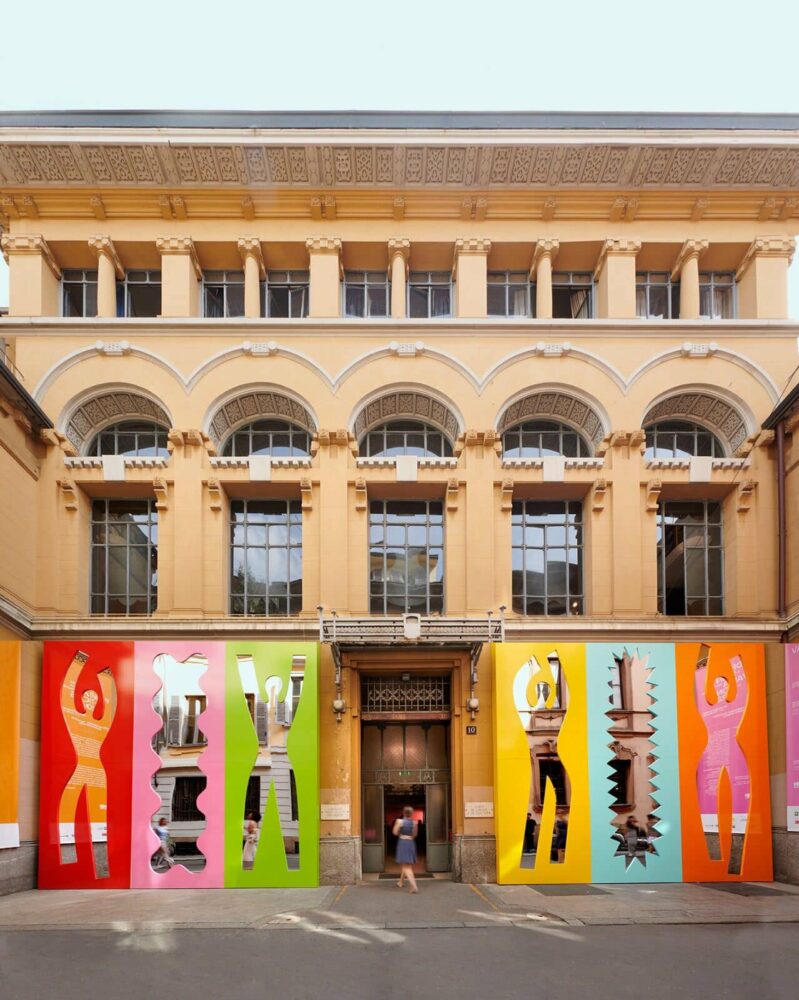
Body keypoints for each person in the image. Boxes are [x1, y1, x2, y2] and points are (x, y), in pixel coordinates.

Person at [392, 806, 419, 894]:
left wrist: (401, 833)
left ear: (403, 813)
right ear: (412, 813)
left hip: (403, 843)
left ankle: (414, 886)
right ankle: (401, 882)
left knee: (406, 866)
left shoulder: (399, 821)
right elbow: (414, 835)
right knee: (407, 864)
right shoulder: (414, 823)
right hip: (411, 843)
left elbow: (395, 832)